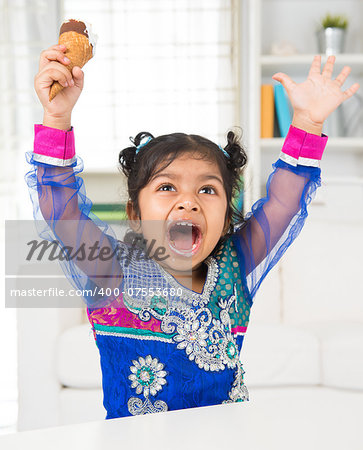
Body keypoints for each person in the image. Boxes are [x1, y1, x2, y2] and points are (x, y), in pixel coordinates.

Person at [26, 43, 359, 418]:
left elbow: (283, 202)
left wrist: (308, 124)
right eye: (167, 187)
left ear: (227, 216)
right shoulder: (111, 270)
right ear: (135, 213)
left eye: (207, 189)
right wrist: (57, 116)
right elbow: (61, 208)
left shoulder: (236, 262)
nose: (189, 201)